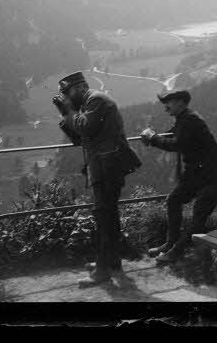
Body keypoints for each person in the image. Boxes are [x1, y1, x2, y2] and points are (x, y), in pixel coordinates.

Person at [54, 71, 129, 287]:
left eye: (67, 94)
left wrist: (70, 111)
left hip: (108, 167)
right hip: (103, 166)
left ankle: (102, 271)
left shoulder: (96, 100)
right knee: (108, 215)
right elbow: (80, 138)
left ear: (78, 88)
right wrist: (66, 113)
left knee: (104, 216)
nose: (66, 98)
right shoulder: (89, 104)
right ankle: (112, 261)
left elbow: (85, 127)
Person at [139, 89, 217, 265]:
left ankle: (176, 251)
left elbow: (177, 144)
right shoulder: (185, 119)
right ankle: (170, 243)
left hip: (211, 175)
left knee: (199, 215)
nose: (165, 107)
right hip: (198, 173)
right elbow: (176, 135)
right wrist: (154, 136)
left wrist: (153, 138)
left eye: (169, 102)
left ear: (181, 102)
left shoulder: (191, 120)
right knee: (173, 200)